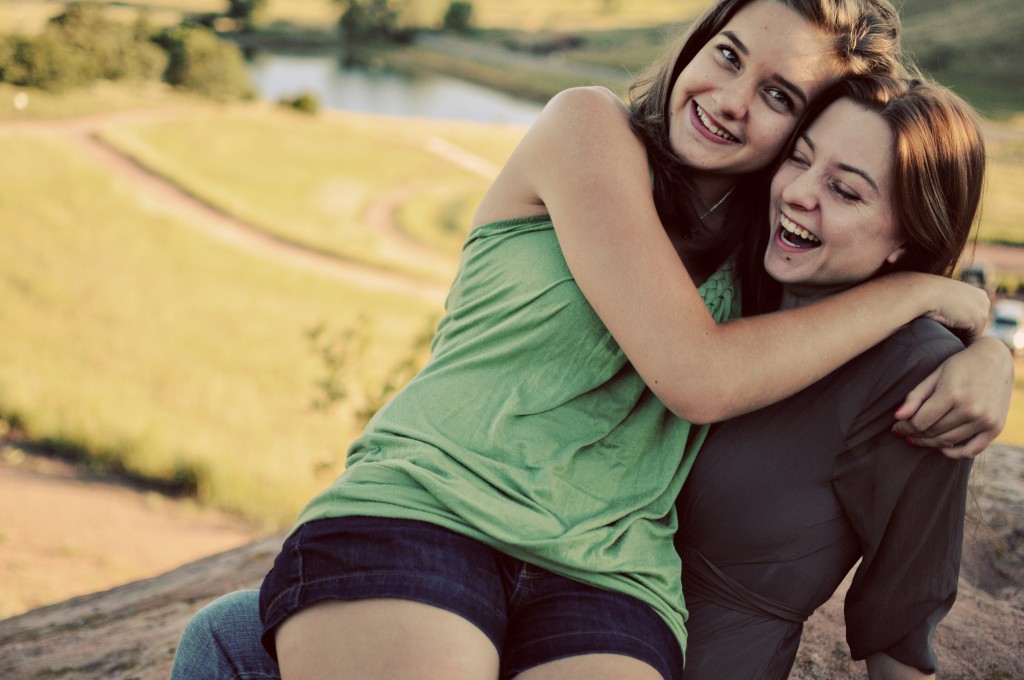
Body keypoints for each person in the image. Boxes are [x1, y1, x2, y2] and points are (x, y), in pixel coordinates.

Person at [169, 0, 1012, 678]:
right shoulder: (587, 127)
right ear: (698, 41)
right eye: (728, 55)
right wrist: (928, 293)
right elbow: (697, 376)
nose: (730, 99)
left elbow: (860, 270)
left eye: (779, 97)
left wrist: (985, 353)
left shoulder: (765, 242)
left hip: (610, 573)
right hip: (433, 510)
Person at [675, 76, 987, 680]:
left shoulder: (919, 374)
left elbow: (900, 624)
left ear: (908, 237)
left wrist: (980, 351)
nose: (796, 193)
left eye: (844, 190)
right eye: (799, 158)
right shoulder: (722, 278)